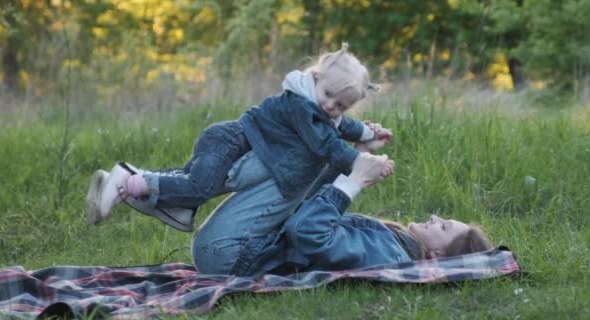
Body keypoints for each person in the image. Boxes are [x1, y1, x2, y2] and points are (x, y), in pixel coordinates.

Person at [85, 43, 392, 232]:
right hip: (230, 139)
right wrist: (360, 161)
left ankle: (171, 204)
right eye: (328, 96)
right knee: (198, 186)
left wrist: (366, 131)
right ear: (316, 78)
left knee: (191, 189)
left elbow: (339, 126)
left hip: (234, 144)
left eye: (340, 105)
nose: (330, 106)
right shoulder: (301, 105)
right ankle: (130, 179)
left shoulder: (321, 109)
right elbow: (326, 143)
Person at [191, 142, 494, 276]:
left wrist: (354, 182)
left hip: (232, 255)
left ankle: (178, 188)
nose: (435, 217)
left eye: (443, 227)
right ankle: (181, 188)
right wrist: (356, 156)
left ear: (438, 256)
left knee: (301, 156)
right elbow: (310, 206)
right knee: (308, 152)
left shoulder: (387, 253)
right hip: (239, 249)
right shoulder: (393, 242)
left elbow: (306, 231)